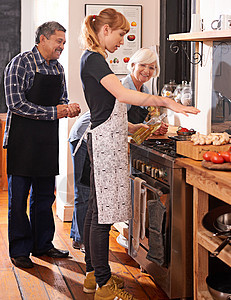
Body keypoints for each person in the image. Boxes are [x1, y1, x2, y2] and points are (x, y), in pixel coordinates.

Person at [80, 8, 199, 300]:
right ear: (105, 30)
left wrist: (135, 127)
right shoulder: (94, 60)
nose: (123, 39)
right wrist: (167, 102)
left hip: (106, 140)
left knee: (98, 211)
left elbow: (107, 111)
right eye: (120, 33)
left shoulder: (95, 59)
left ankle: (93, 276)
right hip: (105, 145)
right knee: (102, 217)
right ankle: (105, 287)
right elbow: (123, 96)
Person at [3, 21, 81, 269]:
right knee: (19, 200)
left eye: (64, 42)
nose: (62, 46)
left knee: (46, 197)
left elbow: (62, 99)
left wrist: (69, 108)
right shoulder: (20, 63)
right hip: (22, 142)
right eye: (59, 41)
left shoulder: (57, 68)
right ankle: (20, 249)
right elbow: (16, 104)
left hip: (47, 142)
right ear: (43, 39)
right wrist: (54, 112)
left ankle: (43, 244)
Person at [122, 46, 168, 134]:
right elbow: (115, 121)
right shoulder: (124, 87)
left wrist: (153, 128)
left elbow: (138, 123)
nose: (147, 71)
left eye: (151, 68)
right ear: (133, 65)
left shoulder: (145, 90)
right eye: (142, 65)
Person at [69, 110, 91, 253]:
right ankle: (82, 240)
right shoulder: (125, 90)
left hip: (94, 138)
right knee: (84, 191)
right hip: (83, 138)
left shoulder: (143, 92)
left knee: (86, 192)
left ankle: (77, 237)